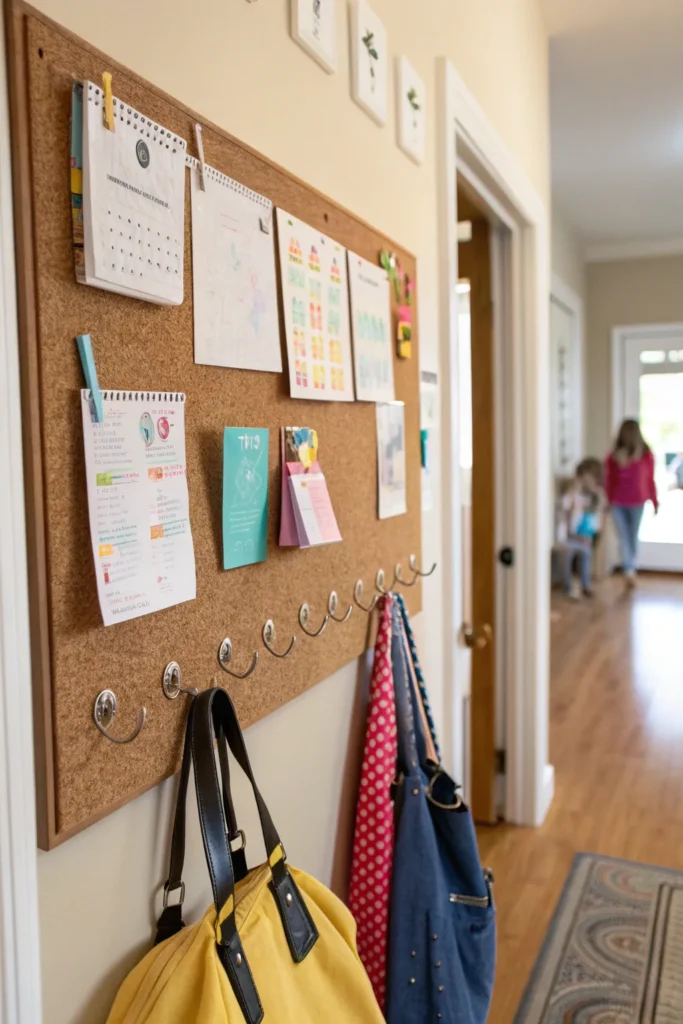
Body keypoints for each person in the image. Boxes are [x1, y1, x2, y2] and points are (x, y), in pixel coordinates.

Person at [605, 419, 658, 589]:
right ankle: (629, 570)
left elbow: (650, 479)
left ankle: (630, 567)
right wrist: (607, 500)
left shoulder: (646, 454)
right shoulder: (613, 456)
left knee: (632, 537)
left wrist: (655, 501)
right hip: (617, 503)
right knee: (623, 537)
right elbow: (609, 481)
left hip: (637, 501)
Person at [556, 459, 605, 599]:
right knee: (567, 558)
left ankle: (586, 585)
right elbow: (564, 506)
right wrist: (573, 490)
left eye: (590, 479)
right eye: (583, 478)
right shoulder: (573, 495)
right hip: (570, 536)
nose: (586, 483)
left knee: (586, 559)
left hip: (586, 536)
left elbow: (598, 515)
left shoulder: (595, 497)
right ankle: (568, 586)